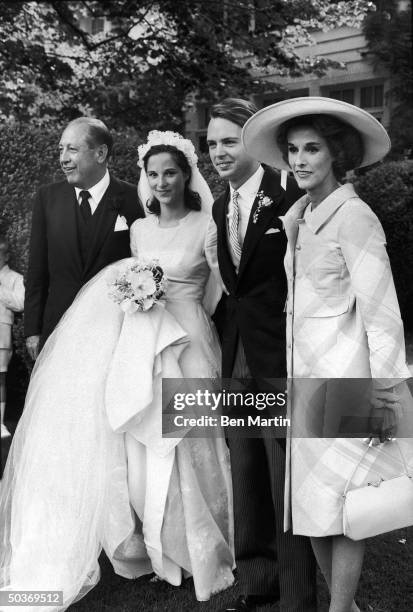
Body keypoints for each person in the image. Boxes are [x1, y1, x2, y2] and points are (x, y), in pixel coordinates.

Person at [0, 131, 234, 610]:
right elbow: (55, 271)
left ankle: (203, 547)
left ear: (186, 175)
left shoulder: (197, 222)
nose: (162, 182)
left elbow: (218, 290)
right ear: (146, 178)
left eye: (171, 173)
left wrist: (190, 316)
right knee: (136, 446)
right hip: (128, 344)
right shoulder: (136, 228)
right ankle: (148, 546)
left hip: (187, 340)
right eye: (154, 174)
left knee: (194, 443)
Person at [242, 96, 413, 612]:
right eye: (292, 150)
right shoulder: (303, 215)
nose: (299, 160)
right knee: (309, 506)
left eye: (311, 149)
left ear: (335, 154)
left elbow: (383, 316)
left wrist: (385, 397)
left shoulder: (355, 218)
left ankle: (341, 608)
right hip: (306, 383)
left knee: (345, 511)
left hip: (347, 383)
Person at [205, 98, 317, 612]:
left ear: (251, 142)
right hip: (237, 357)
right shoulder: (217, 204)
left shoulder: (293, 191)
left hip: (280, 357)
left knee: (283, 477)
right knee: (246, 471)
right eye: (212, 143)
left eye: (230, 140)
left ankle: (296, 596)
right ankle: (258, 584)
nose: (219, 151)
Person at [24, 116, 144, 360]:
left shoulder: (134, 199)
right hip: (58, 329)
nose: (63, 159)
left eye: (72, 149)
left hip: (113, 331)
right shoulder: (47, 198)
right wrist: (32, 330)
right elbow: (37, 270)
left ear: (100, 153)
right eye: (61, 149)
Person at [0, 238, 25, 439]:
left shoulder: (15, 278)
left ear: (6, 256)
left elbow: (19, 303)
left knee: (0, 378)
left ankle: (0, 423)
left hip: (1, 332)